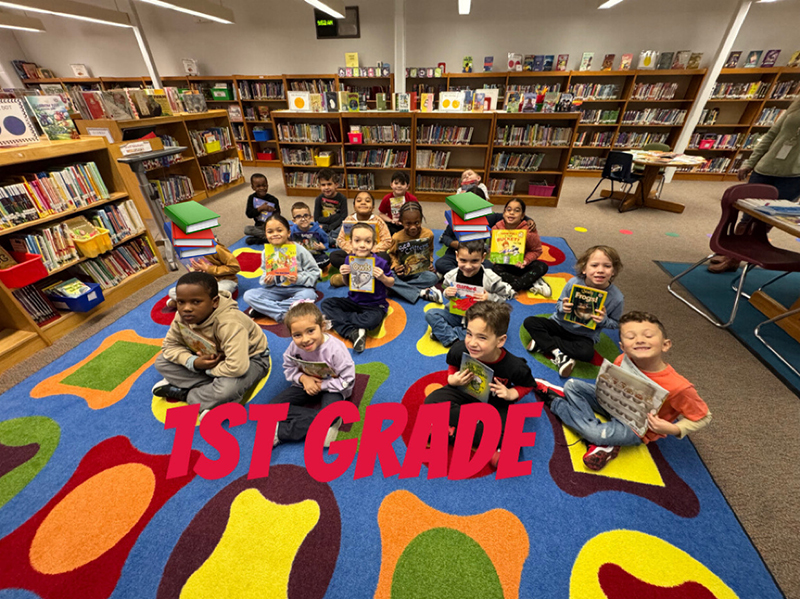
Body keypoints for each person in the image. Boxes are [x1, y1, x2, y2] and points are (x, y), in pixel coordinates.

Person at [537, 311, 712, 471]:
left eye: (648, 335)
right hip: (611, 403)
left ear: (665, 345)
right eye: (630, 337)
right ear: (622, 345)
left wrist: (673, 429)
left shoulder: (679, 387)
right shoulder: (622, 358)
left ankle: (557, 403)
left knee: (595, 433)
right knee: (572, 385)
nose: (639, 340)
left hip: (637, 427)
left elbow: (703, 417)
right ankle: (603, 442)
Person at [423, 302, 535, 469]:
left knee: (512, 439)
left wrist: (511, 393)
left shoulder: (515, 366)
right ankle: (474, 435)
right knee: (430, 403)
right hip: (464, 390)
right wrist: (452, 379)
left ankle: (451, 432)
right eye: (469, 334)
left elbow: (527, 385)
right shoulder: (460, 348)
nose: (472, 343)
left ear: (500, 340)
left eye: (482, 337)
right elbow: (453, 366)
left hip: (495, 401)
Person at [152, 272, 270, 419]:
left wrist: (208, 370)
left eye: (196, 302)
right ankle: (213, 396)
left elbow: (237, 367)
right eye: (181, 302)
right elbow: (169, 345)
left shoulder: (229, 323)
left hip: (250, 358)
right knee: (162, 362)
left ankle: (187, 394)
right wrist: (193, 362)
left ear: (214, 302)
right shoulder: (182, 316)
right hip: (206, 355)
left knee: (226, 389)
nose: (186, 308)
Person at [710, 98, 800, 272]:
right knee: (746, 215)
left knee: (766, 220)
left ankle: (734, 258)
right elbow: (772, 135)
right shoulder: (796, 104)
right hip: (765, 168)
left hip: (793, 175)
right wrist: (750, 163)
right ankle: (732, 252)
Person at [523, 245, 624, 378]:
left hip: (584, 335)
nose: (600, 270)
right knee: (530, 322)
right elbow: (559, 304)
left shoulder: (617, 298)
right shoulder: (573, 283)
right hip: (559, 325)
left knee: (587, 354)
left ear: (614, 271)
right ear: (584, 269)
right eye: (594, 265)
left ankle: (544, 343)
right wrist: (562, 308)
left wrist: (603, 320)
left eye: (607, 266)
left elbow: (616, 324)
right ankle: (558, 353)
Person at [270, 301, 355, 448]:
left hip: (333, 388)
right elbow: (288, 366)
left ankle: (282, 432)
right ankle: (328, 423)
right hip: (306, 383)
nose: (305, 339)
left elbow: (348, 380)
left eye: (310, 331)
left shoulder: (335, 350)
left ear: (322, 327)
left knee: (328, 413)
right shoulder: (293, 347)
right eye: (297, 335)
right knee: (271, 410)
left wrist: (323, 385)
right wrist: (303, 378)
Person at [320, 223, 395, 353]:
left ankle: (344, 323)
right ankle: (353, 331)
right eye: (357, 240)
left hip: (375, 305)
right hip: (353, 301)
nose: (362, 245)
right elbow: (349, 284)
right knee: (326, 304)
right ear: (351, 243)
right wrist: (344, 275)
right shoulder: (349, 259)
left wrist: (383, 277)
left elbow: (391, 283)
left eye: (367, 241)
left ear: (373, 244)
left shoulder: (380, 262)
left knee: (370, 321)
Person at [426, 239, 515, 347]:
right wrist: (447, 293)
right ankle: (454, 338)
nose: (468, 266)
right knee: (431, 314)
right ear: (457, 256)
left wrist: (489, 297)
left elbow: (504, 297)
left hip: (480, 319)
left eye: (474, 261)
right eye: (463, 260)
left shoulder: (491, 278)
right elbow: (446, 288)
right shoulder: (451, 275)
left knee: (490, 332)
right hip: (457, 314)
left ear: (482, 258)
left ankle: (446, 334)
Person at [243, 214, 320, 323]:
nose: (275, 234)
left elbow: (315, 273)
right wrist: (267, 280)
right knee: (248, 295)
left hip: (299, 288)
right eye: (270, 232)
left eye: (279, 230)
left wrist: (298, 278)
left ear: (288, 233)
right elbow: (264, 274)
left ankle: (269, 310)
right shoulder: (266, 252)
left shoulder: (300, 250)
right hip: (276, 289)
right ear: (265, 234)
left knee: (309, 295)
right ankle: (285, 313)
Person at [489, 198, 551, 297]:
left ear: (522, 216)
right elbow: (491, 247)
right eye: (508, 210)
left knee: (542, 266)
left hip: (523, 264)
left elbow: (536, 250)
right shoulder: (495, 229)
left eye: (516, 211)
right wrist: (494, 256)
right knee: (492, 269)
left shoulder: (529, 231)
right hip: (505, 265)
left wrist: (525, 260)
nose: (512, 213)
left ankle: (513, 286)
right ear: (504, 213)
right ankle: (529, 283)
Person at [329, 191, 391, 284]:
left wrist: (373, 249)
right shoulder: (349, 219)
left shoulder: (379, 221)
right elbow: (341, 240)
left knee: (385, 257)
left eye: (367, 201)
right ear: (354, 206)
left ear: (373, 207)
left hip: (372, 255)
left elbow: (387, 240)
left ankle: (352, 277)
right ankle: (353, 273)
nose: (363, 203)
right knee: (334, 256)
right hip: (354, 254)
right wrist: (353, 249)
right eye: (359, 200)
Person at [388, 202, 444, 305]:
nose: (413, 227)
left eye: (417, 222)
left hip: (420, 270)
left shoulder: (428, 234)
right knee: (388, 275)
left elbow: (430, 250)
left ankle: (398, 288)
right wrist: (395, 266)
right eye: (408, 223)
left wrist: (430, 262)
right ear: (401, 222)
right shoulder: (397, 237)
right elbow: (391, 254)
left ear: (421, 220)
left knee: (433, 278)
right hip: (402, 272)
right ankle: (421, 292)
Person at [165, 240, 239, 310]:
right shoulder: (188, 251)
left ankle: (185, 302)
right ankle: (198, 303)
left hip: (225, 280)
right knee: (173, 292)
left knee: (217, 293)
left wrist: (208, 269)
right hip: (204, 284)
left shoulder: (216, 248)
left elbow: (235, 267)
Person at [289, 201, 330, 271]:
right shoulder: (291, 231)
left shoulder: (318, 230)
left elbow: (326, 242)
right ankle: (310, 267)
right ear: (294, 221)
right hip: (299, 256)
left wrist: (323, 247)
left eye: (306, 215)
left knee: (326, 259)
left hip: (315, 255)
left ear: (311, 218)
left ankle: (305, 267)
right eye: (298, 216)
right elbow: (287, 243)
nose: (303, 219)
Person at [244, 173, 281, 245]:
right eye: (258, 186)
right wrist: (260, 209)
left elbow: (278, 216)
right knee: (247, 229)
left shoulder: (273, 199)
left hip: (271, 227)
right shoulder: (251, 198)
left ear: (267, 185)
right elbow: (249, 214)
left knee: (283, 229)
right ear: (253, 187)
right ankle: (268, 238)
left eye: (264, 185)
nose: (262, 188)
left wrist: (272, 212)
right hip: (259, 227)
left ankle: (261, 239)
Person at [378, 171, 419, 235]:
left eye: (402, 184)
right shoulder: (386, 198)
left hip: (408, 224)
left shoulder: (412, 199)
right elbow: (381, 214)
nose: (399, 186)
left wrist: (407, 222)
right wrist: (391, 221)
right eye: (396, 183)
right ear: (391, 185)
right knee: (386, 231)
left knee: (416, 231)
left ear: (407, 186)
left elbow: (417, 214)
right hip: (392, 223)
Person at [313, 168, 348, 242]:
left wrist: (331, 227)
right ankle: (332, 239)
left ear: (336, 185)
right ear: (319, 186)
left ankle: (329, 238)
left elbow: (343, 217)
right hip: (324, 225)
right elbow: (317, 218)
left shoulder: (342, 198)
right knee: (313, 226)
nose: (326, 187)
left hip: (337, 226)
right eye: (323, 185)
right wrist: (335, 217)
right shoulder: (319, 199)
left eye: (329, 184)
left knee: (346, 226)